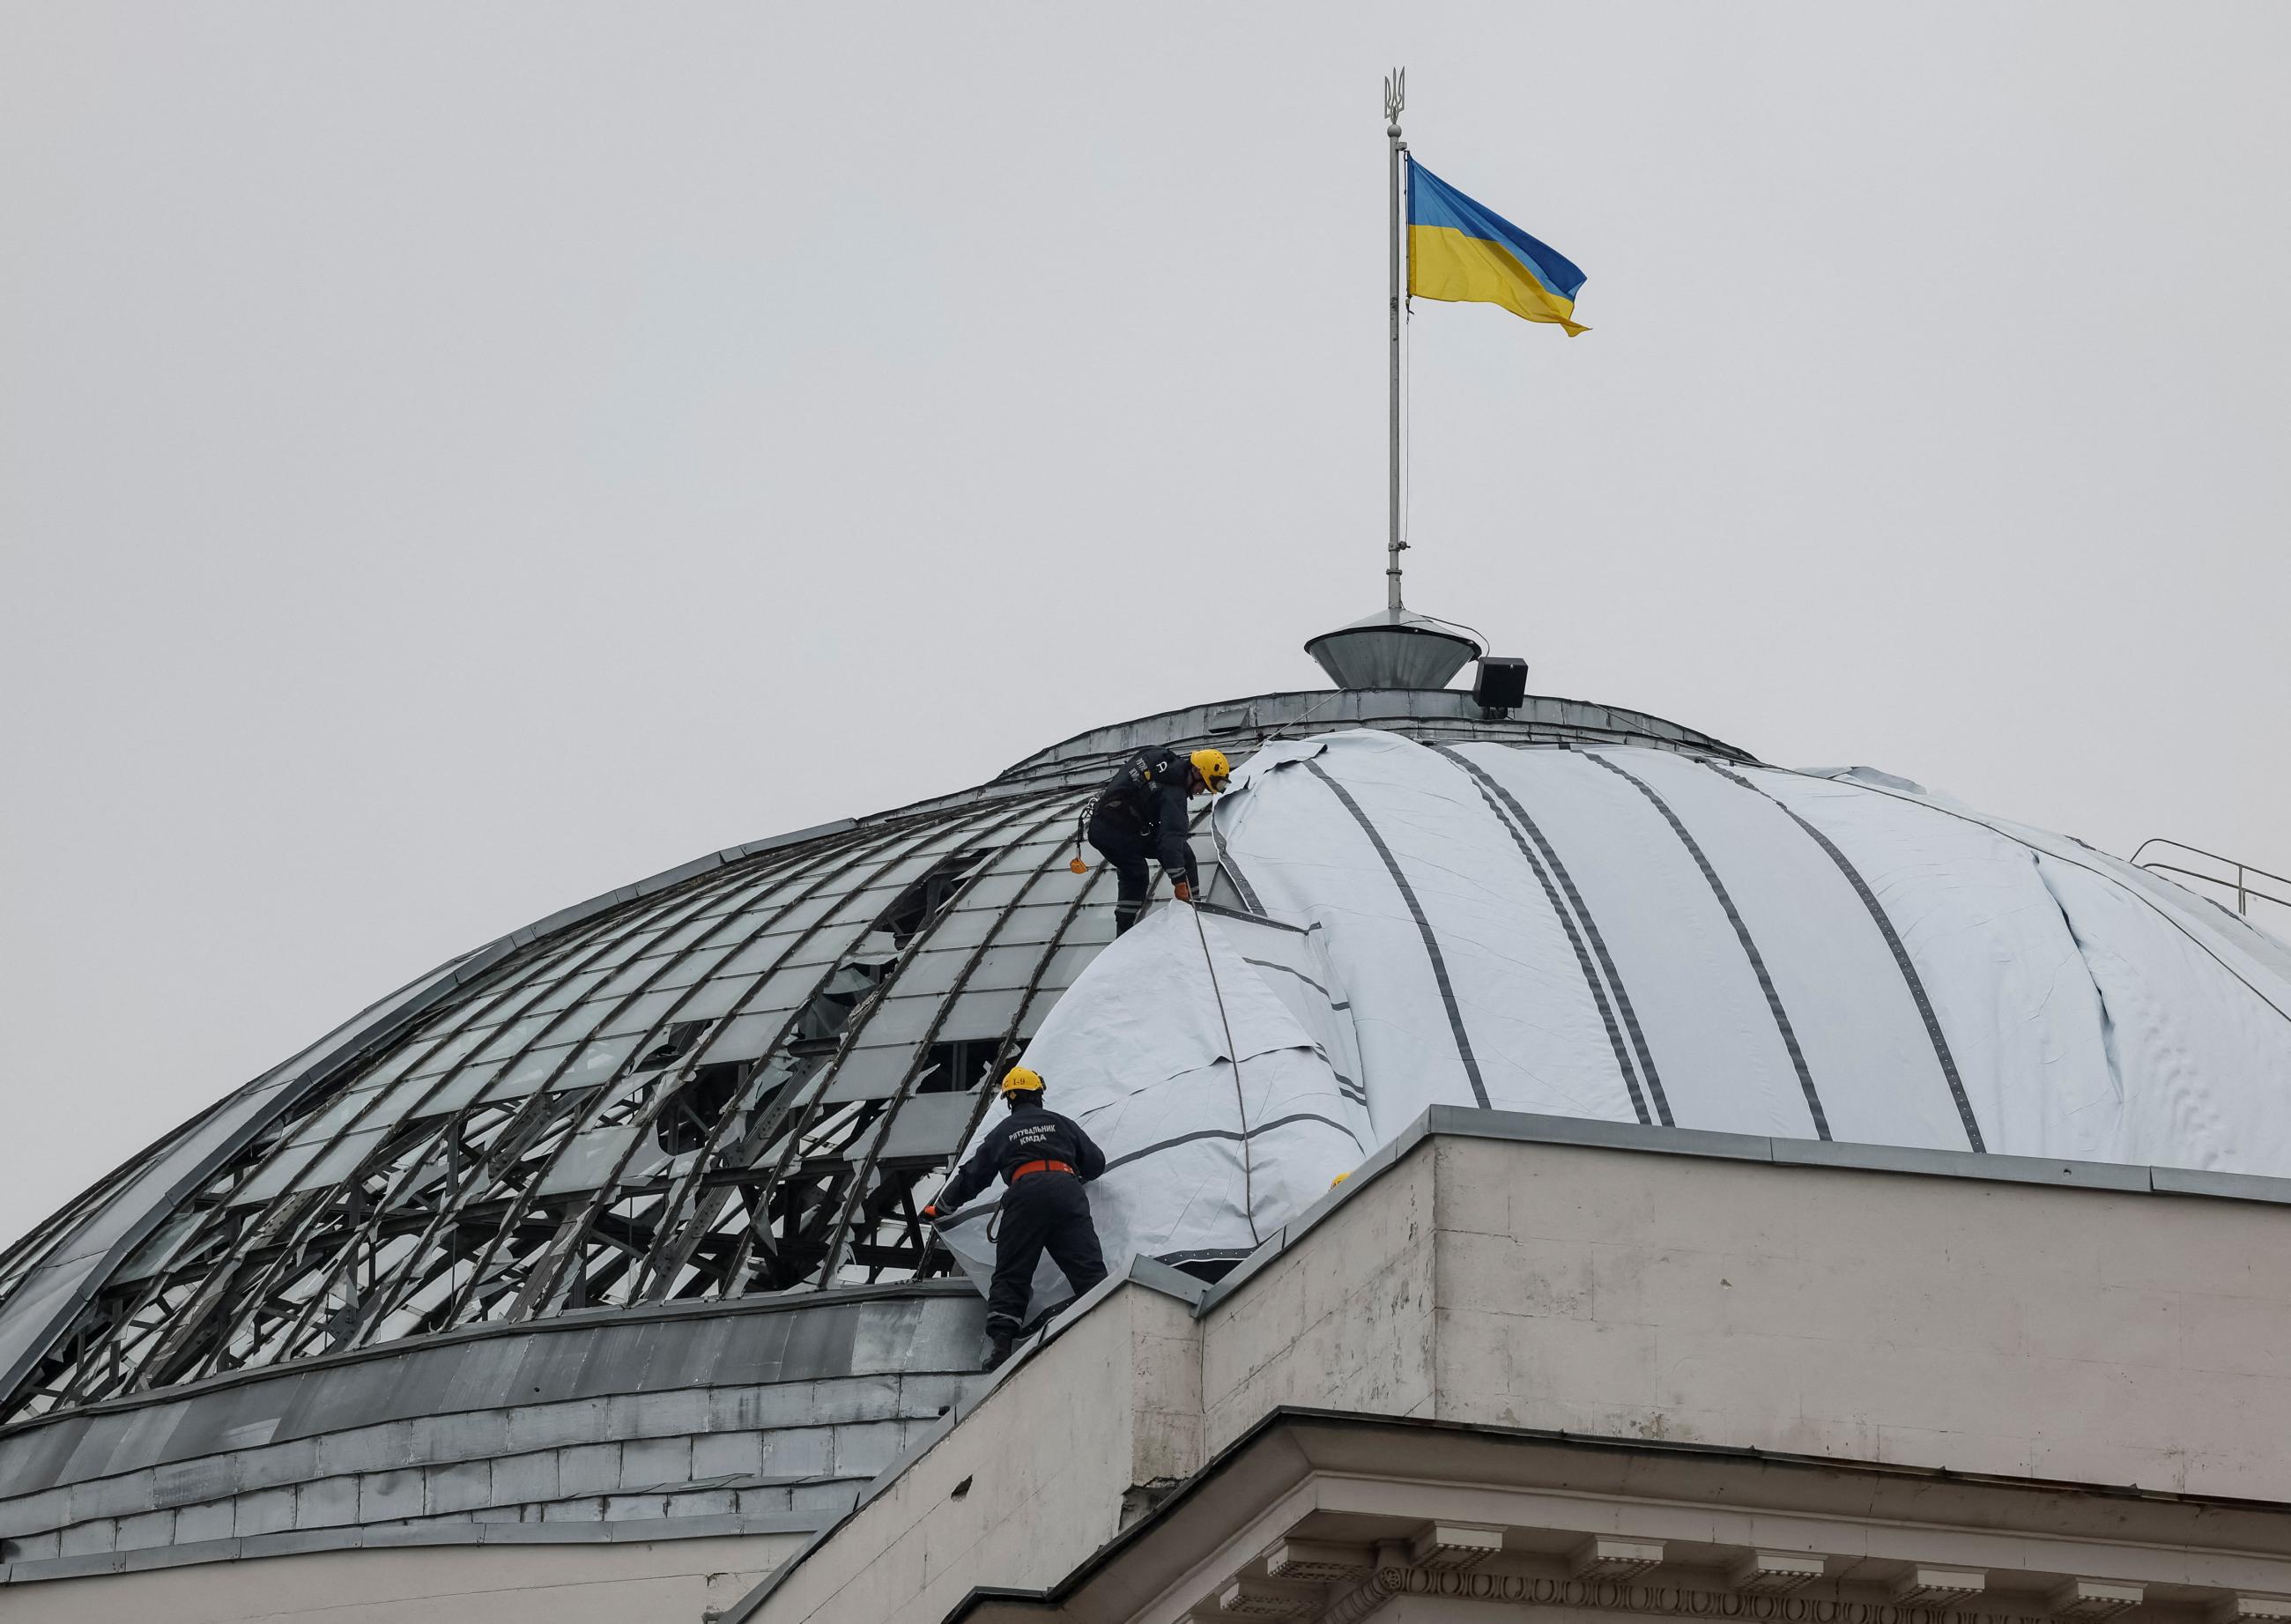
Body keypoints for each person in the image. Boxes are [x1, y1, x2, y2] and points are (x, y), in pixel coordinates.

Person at [922, 1065, 1108, 1371]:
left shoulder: (1003, 1132)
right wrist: (1072, 1175)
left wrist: (941, 1208)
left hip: (1025, 1196)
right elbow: (1096, 1163)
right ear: (1039, 1095)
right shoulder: (1061, 1124)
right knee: (1088, 1269)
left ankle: (1001, 1349)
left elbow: (973, 1176)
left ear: (1009, 1100)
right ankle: (1110, 1324)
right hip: (1066, 1191)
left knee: (1012, 1272)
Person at [1079, 746, 1232, 934]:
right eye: (1203, 786)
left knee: (1165, 860)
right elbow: (1170, 840)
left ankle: (1192, 912)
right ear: (1196, 771)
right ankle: (1128, 932)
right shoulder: (1174, 791)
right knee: (1139, 872)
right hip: (1114, 831)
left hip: (1109, 825)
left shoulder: (1164, 761)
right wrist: (1179, 882)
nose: (1200, 792)